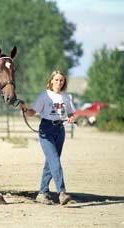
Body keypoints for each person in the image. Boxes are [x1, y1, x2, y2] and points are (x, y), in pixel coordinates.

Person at [20, 70, 75, 205]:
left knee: (50, 163)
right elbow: (33, 112)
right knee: (55, 160)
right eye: (56, 80)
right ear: (51, 81)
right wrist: (26, 109)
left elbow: (71, 113)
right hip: (46, 129)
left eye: (61, 80)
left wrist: (71, 118)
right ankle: (62, 192)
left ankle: (42, 193)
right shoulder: (44, 95)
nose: (59, 82)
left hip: (60, 130)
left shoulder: (67, 96)